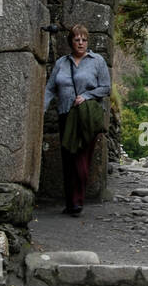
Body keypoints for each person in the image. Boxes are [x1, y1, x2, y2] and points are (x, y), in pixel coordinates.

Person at [43, 24, 111, 216]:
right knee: (68, 159)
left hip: (86, 116)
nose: (80, 43)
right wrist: (42, 108)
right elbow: (50, 88)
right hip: (66, 114)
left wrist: (87, 96)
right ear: (70, 42)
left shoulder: (97, 61)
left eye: (84, 39)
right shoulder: (61, 63)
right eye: (77, 39)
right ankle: (70, 202)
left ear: (88, 42)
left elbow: (106, 88)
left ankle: (77, 202)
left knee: (81, 159)